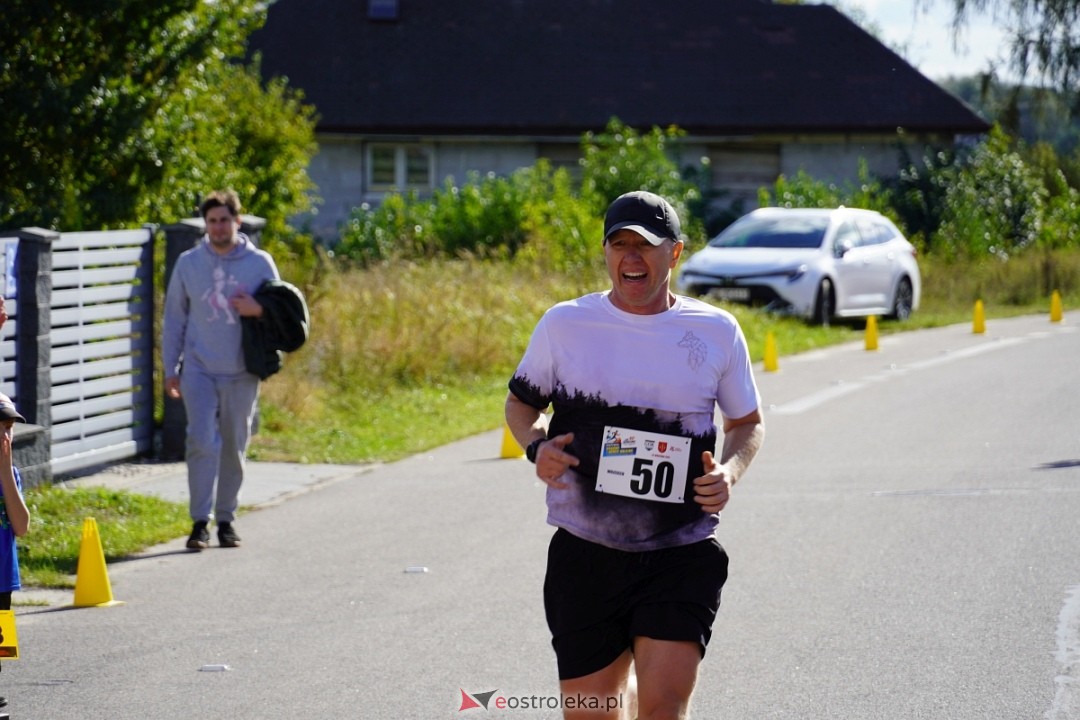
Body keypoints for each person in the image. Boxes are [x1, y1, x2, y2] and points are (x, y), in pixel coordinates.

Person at [504, 191, 765, 720]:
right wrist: (537, 446)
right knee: (591, 712)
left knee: (663, 706)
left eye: (646, 245)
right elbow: (521, 404)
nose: (631, 257)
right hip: (586, 553)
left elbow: (746, 423)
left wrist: (731, 473)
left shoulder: (715, 331)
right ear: (605, 252)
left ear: (675, 253)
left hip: (680, 550)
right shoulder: (565, 324)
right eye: (619, 244)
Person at [162, 190, 279, 550]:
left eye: (224, 220)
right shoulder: (188, 263)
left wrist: (258, 309)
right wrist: (171, 368)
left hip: (242, 369)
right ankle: (199, 522)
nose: (218, 227)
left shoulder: (260, 263)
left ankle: (226, 519)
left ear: (237, 222)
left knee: (233, 445)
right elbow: (174, 319)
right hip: (199, 368)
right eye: (212, 221)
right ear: (205, 224)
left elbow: (284, 310)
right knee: (200, 440)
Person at [0, 392, 30, 711]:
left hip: (3, 578)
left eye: (9, 428)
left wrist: (5, 468)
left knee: (0, 650)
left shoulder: (11, 475)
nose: (5, 435)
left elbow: (21, 526)